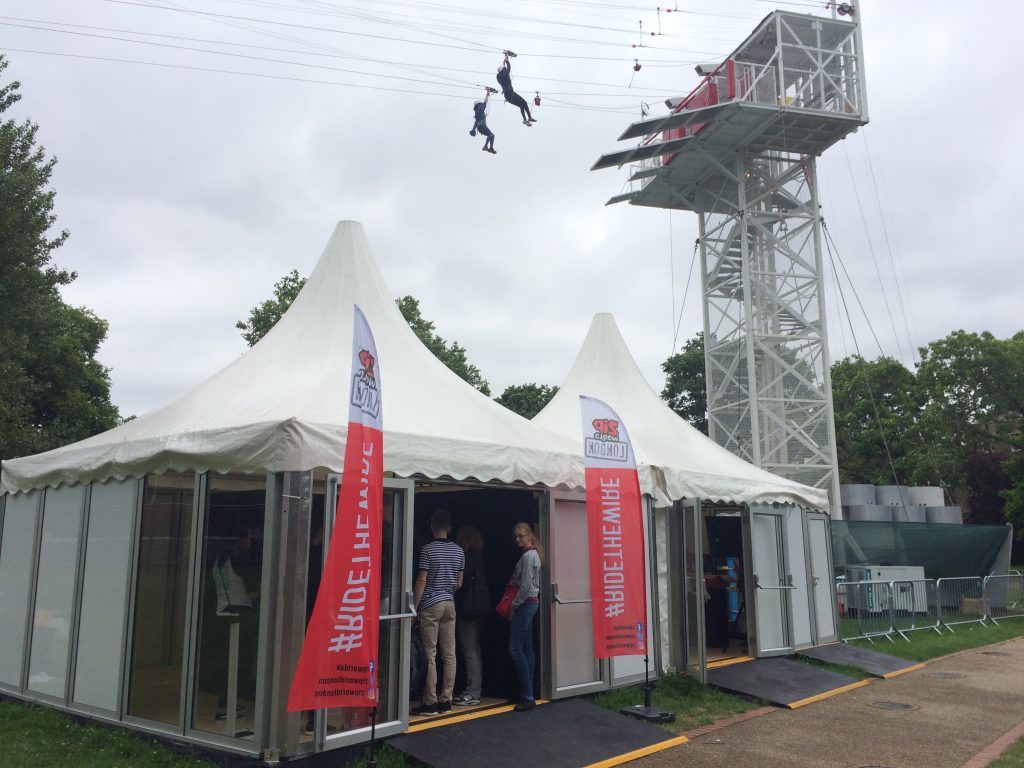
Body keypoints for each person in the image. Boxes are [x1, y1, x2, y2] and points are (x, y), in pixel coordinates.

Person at [413, 509, 465, 716]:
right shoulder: (459, 551)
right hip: (449, 603)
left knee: (430, 654)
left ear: (432, 526)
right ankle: (447, 700)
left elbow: (422, 579)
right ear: (450, 529)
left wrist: (414, 607)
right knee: (450, 654)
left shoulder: (427, 550)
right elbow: (459, 583)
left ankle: (430, 702)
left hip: (430, 605)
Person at [211, 523, 260, 722]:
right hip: (241, 615)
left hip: (221, 613)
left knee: (228, 662)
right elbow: (250, 593)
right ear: (239, 540)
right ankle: (225, 707)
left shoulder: (217, 562)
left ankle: (226, 703)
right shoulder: (239, 562)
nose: (250, 542)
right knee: (240, 664)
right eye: (248, 538)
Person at [507, 521, 541, 712]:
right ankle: (529, 691)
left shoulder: (528, 557)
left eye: (521, 535)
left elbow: (526, 586)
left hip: (525, 603)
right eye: (516, 536)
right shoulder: (534, 554)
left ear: (529, 535)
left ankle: (527, 695)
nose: (518, 539)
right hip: (531, 602)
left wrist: (513, 605)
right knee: (527, 647)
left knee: (515, 648)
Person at [453, 525, 487, 706]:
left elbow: (460, 584)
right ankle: (473, 689)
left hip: (467, 610)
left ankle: (473, 691)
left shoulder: (465, 558)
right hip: (480, 609)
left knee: (469, 649)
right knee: (473, 648)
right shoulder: (480, 558)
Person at [496, 51, 537, 126]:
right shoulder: (505, 74)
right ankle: (529, 118)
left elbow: (504, 67)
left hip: (508, 96)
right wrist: (507, 61)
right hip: (511, 94)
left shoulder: (499, 76)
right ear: (503, 70)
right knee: (524, 103)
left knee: (522, 105)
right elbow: (508, 67)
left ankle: (525, 119)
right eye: (504, 69)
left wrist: (506, 56)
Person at [470, 88, 497, 154]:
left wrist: (473, 129)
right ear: (479, 104)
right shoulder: (480, 108)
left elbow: (475, 123)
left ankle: (490, 148)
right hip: (482, 126)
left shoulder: (476, 113)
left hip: (479, 128)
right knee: (491, 135)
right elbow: (485, 102)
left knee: (491, 135)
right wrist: (488, 93)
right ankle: (485, 146)